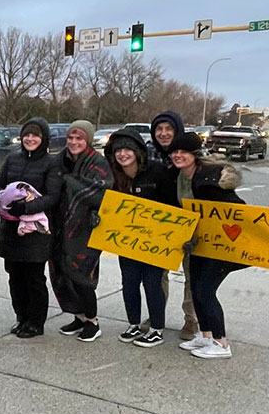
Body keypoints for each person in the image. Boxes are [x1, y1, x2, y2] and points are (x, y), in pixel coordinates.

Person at [169, 132, 246, 359]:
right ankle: (207, 335)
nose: (178, 155)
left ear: (195, 154)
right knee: (196, 289)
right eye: (175, 151)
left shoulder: (209, 180)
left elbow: (238, 211)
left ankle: (222, 343)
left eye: (183, 152)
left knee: (205, 291)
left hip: (221, 247)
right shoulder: (181, 177)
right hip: (198, 244)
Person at [103, 128, 173, 348]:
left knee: (153, 284)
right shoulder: (116, 176)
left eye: (127, 149)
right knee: (129, 282)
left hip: (156, 241)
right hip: (127, 240)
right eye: (118, 151)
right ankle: (133, 323)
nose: (122, 154)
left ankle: (156, 329)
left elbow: (173, 206)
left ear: (137, 151)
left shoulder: (157, 172)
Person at [0, 118, 61, 339]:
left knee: (33, 277)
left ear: (43, 139)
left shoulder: (51, 163)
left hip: (36, 229)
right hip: (11, 228)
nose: (30, 139)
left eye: (35, 135)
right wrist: (1, 201)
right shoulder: (12, 158)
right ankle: (21, 316)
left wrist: (26, 207)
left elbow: (52, 196)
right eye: (27, 135)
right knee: (14, 275)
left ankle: (35, 321)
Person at [50, 120, 113, 342]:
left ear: (87, 140)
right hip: (59, 226)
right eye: (70, 138)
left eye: (79, 138)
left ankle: (93, 322)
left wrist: (69, 181)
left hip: (85, 228)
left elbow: (101, 191)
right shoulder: (60, 160)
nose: (74, 142)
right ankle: (79, 316)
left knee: (82, 275)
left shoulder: (98, 162)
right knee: (62, 273)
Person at [150, 110, 198, 341]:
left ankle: (191, 319)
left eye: (168, 129)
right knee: (157, 275)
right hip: (160, 225)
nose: (163, 133)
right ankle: (156, 314)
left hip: (191, 227)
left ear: (177, 130)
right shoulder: (148, 156)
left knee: (192, 275)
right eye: (159, 129)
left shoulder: (194, 156)